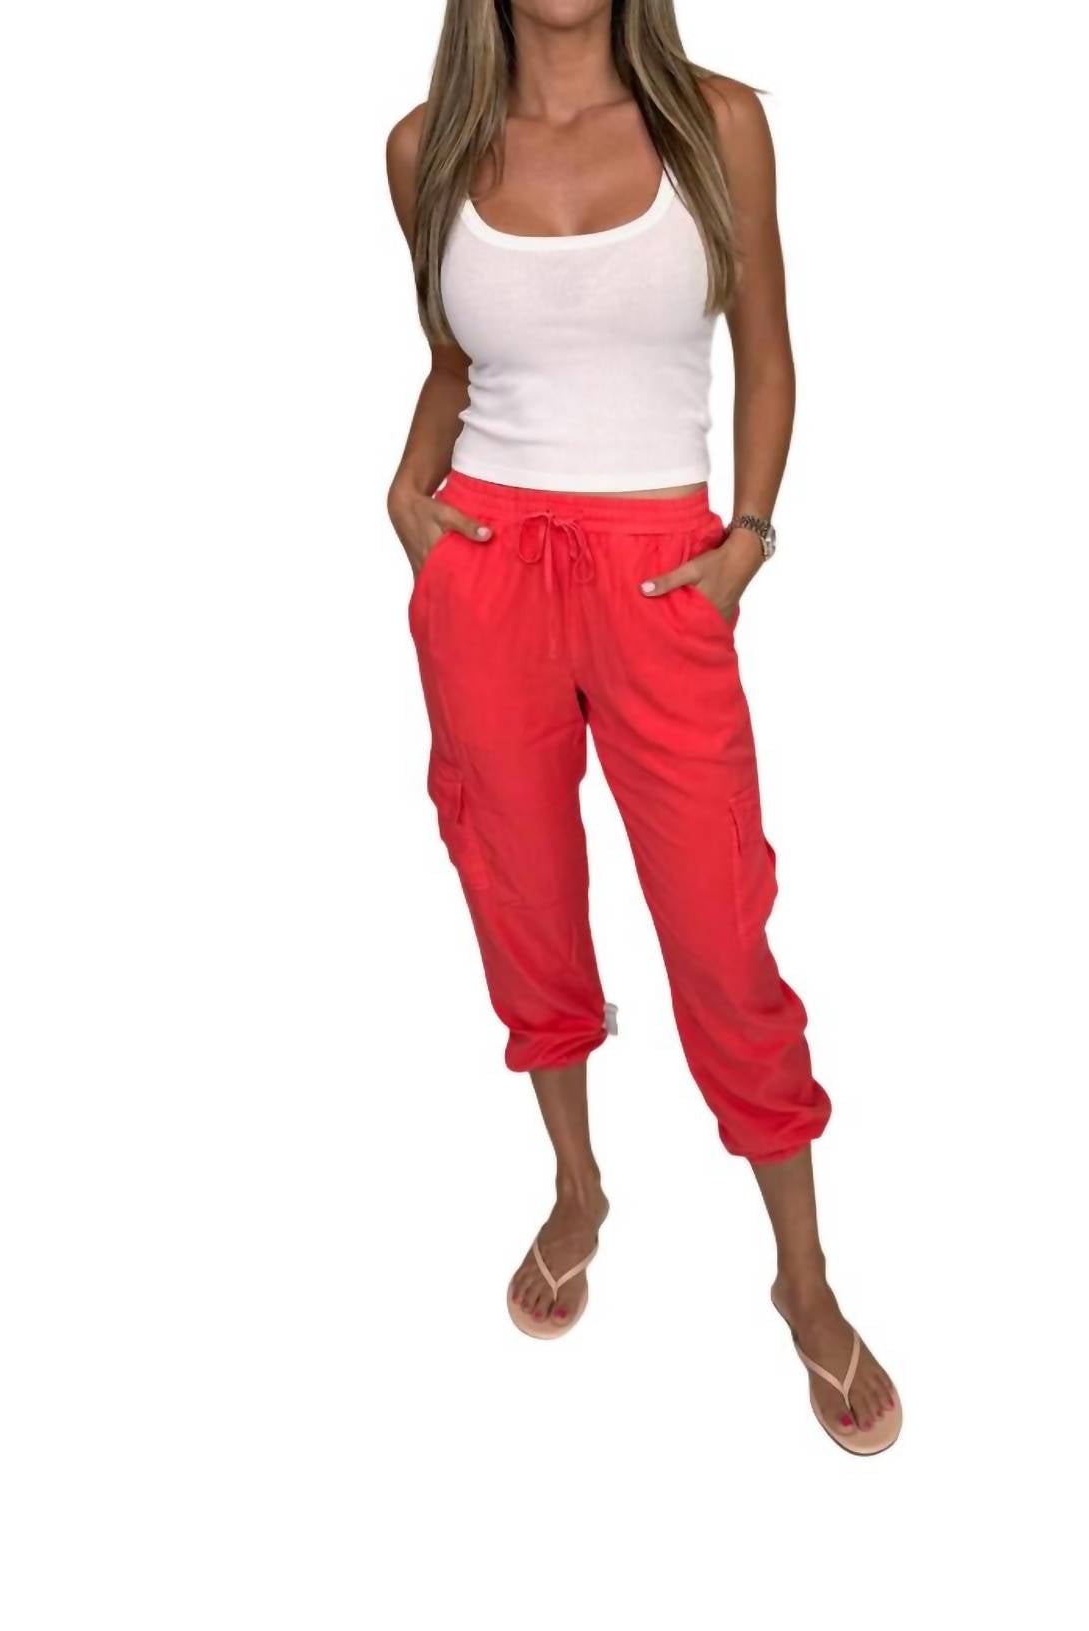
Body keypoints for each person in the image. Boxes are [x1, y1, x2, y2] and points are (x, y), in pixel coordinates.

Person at [385, 0, 901, 1453]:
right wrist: (406, 491)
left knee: (720, 931)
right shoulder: (425, 148)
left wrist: (746, 539)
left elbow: (769, 350)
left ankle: (803, 1279)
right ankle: (577, 1188)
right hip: (488, 567)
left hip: (660, 572)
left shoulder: (717, 124)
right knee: (519, 893)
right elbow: (453, 361)